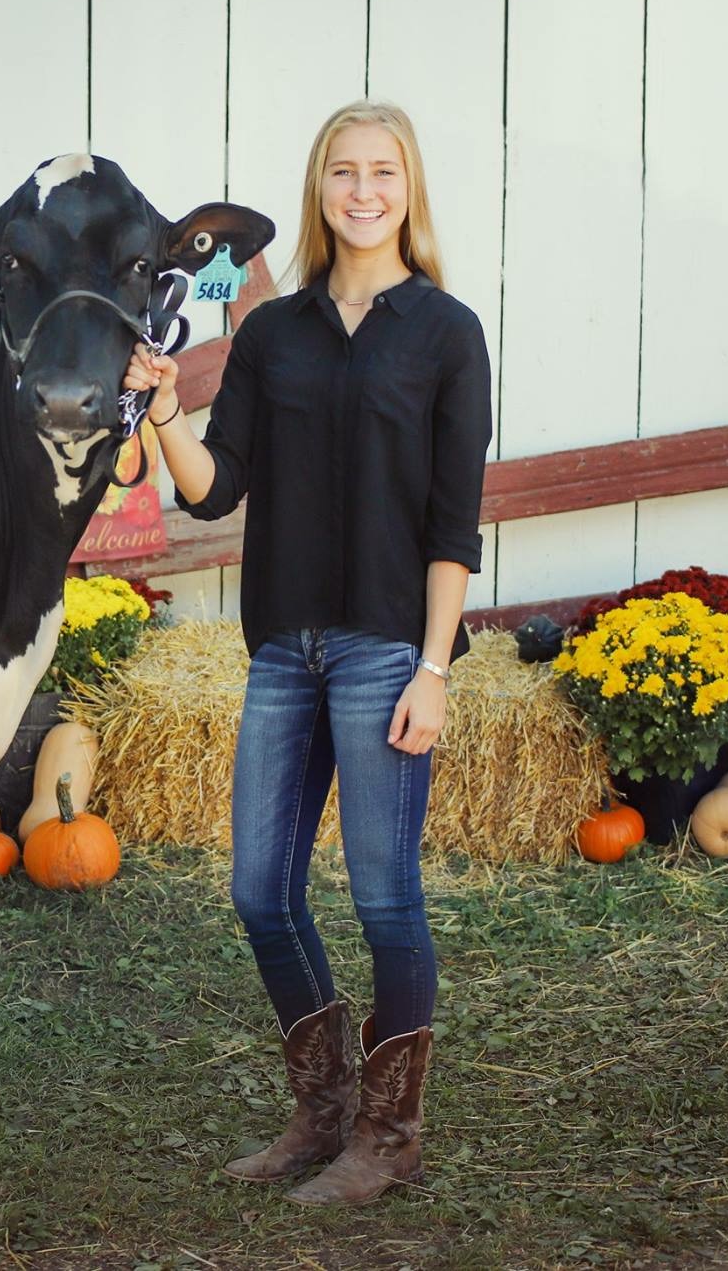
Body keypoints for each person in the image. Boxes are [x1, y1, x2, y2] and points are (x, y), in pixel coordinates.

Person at [125, 100, 491, 1205]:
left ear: (407, 189)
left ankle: (389, 1139)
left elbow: (449, 524)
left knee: (384, 898)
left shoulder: (445, 331)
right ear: (319, 188)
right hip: (283, 646)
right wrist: (158, 412)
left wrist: (433, 669)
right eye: (344, 171)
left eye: (383, 171)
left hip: (387, 651)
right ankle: (322, 1113)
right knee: (258, 890)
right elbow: (214, 487)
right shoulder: (272, 334)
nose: (363, 190)